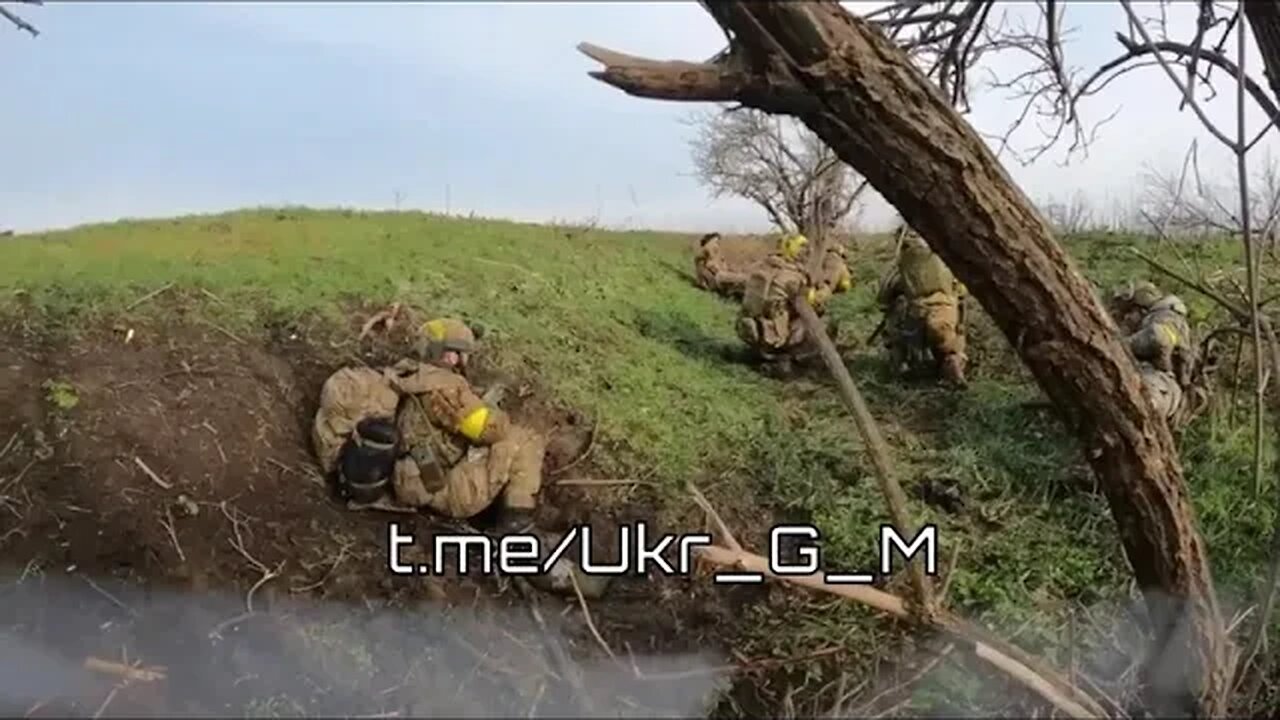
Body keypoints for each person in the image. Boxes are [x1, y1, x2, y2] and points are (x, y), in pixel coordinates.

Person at [876, 225, 968, 387]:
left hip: (918, 311)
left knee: (895, 332)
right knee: (952, 342)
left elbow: (884, 295)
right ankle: (954, 367)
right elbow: (962, 290)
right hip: (947, 311)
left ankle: (901, 369)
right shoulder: (947, 260)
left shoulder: (903, 264)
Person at [735, 233, 824, 373]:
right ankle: (792, 357)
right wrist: (825, 291)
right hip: (772, 335)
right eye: (801, 249)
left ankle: (757, 352)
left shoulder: (762, 266)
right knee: (814, 317)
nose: (804, 253)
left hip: (748, 328)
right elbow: (813, 300)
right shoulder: (793, 276)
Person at [694, 232, 748, 298]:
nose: (717, 243)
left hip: (718, 276)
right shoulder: (707, 251)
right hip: (717, 277)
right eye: (716, 241)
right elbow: (710, 266)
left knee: (739, 279)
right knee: (741, 280)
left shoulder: (709, 253)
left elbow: (719, 263)